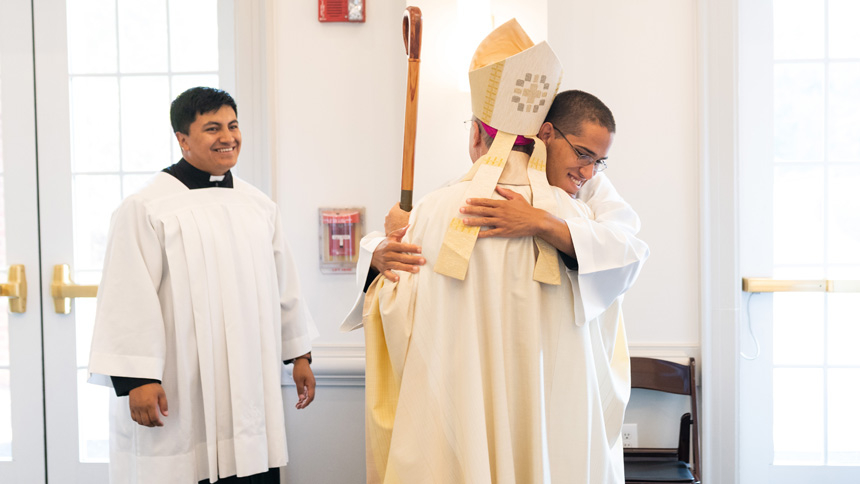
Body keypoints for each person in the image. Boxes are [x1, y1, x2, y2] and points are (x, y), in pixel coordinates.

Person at [354, 19, 620, 483]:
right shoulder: (575, 219)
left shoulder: (432, 211)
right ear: (543, 137)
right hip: (549, 421)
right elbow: (614, 284)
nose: (590, 172)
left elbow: (396, 304)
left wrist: (383, 246)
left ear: (478, 133)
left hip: (459, 421)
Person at [88, 87, 318, 484]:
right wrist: (138, 379)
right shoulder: (147, 208)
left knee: (249, 463)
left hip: (250, 379)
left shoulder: (258, 206)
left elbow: (284, 286)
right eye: (212, 128)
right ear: (182, 139)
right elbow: (127, 298)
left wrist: (299, 355)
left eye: (233, 125)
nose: (227, 137)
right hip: (180, 383)